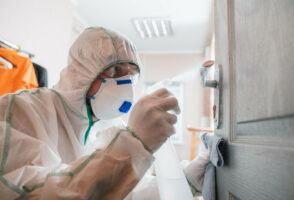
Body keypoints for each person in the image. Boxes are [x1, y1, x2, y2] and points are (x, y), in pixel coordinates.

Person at [0, 27, 207, 199]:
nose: (125, 84)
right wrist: (132, 146)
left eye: (131, 75)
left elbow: (127, 193)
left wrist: (185, 180)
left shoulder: (110, 125)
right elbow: (37, 194)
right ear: (83, 72)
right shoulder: (22, 110)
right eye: (116, 71)